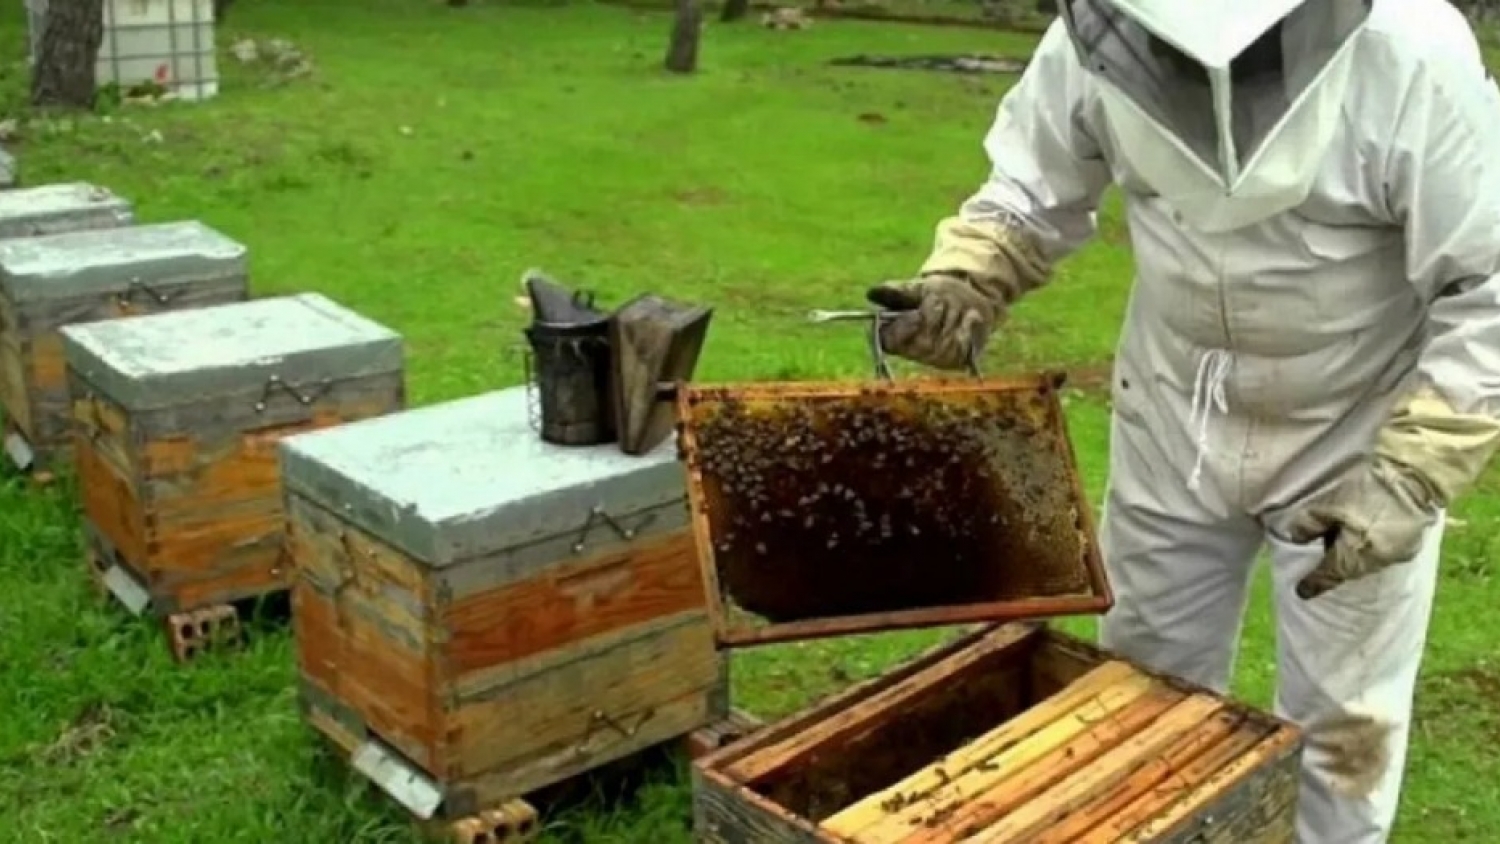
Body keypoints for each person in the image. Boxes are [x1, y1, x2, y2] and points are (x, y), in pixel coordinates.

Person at [866, 0, 1500, 841]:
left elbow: (1486, 287)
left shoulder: (1410, 56)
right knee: (1143, 684)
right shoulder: (1103, 33)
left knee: (1344, 728)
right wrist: (970, 274)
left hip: (1356, 434)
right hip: (1174, 415)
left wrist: (1413, 472)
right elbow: (1029, 187)